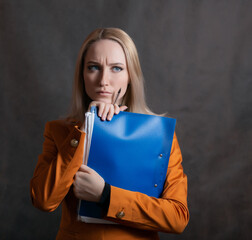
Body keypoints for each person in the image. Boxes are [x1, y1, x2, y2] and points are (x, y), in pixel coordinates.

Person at [30, 28, 189, 240]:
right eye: (94, 67)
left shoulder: (158, 136)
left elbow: (177, 218)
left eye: (116, 68)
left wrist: (105, 194)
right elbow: (43, 200)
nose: (104, 80)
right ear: (82, 75)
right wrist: (87, 126)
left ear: (130, 76)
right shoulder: (60, 132)